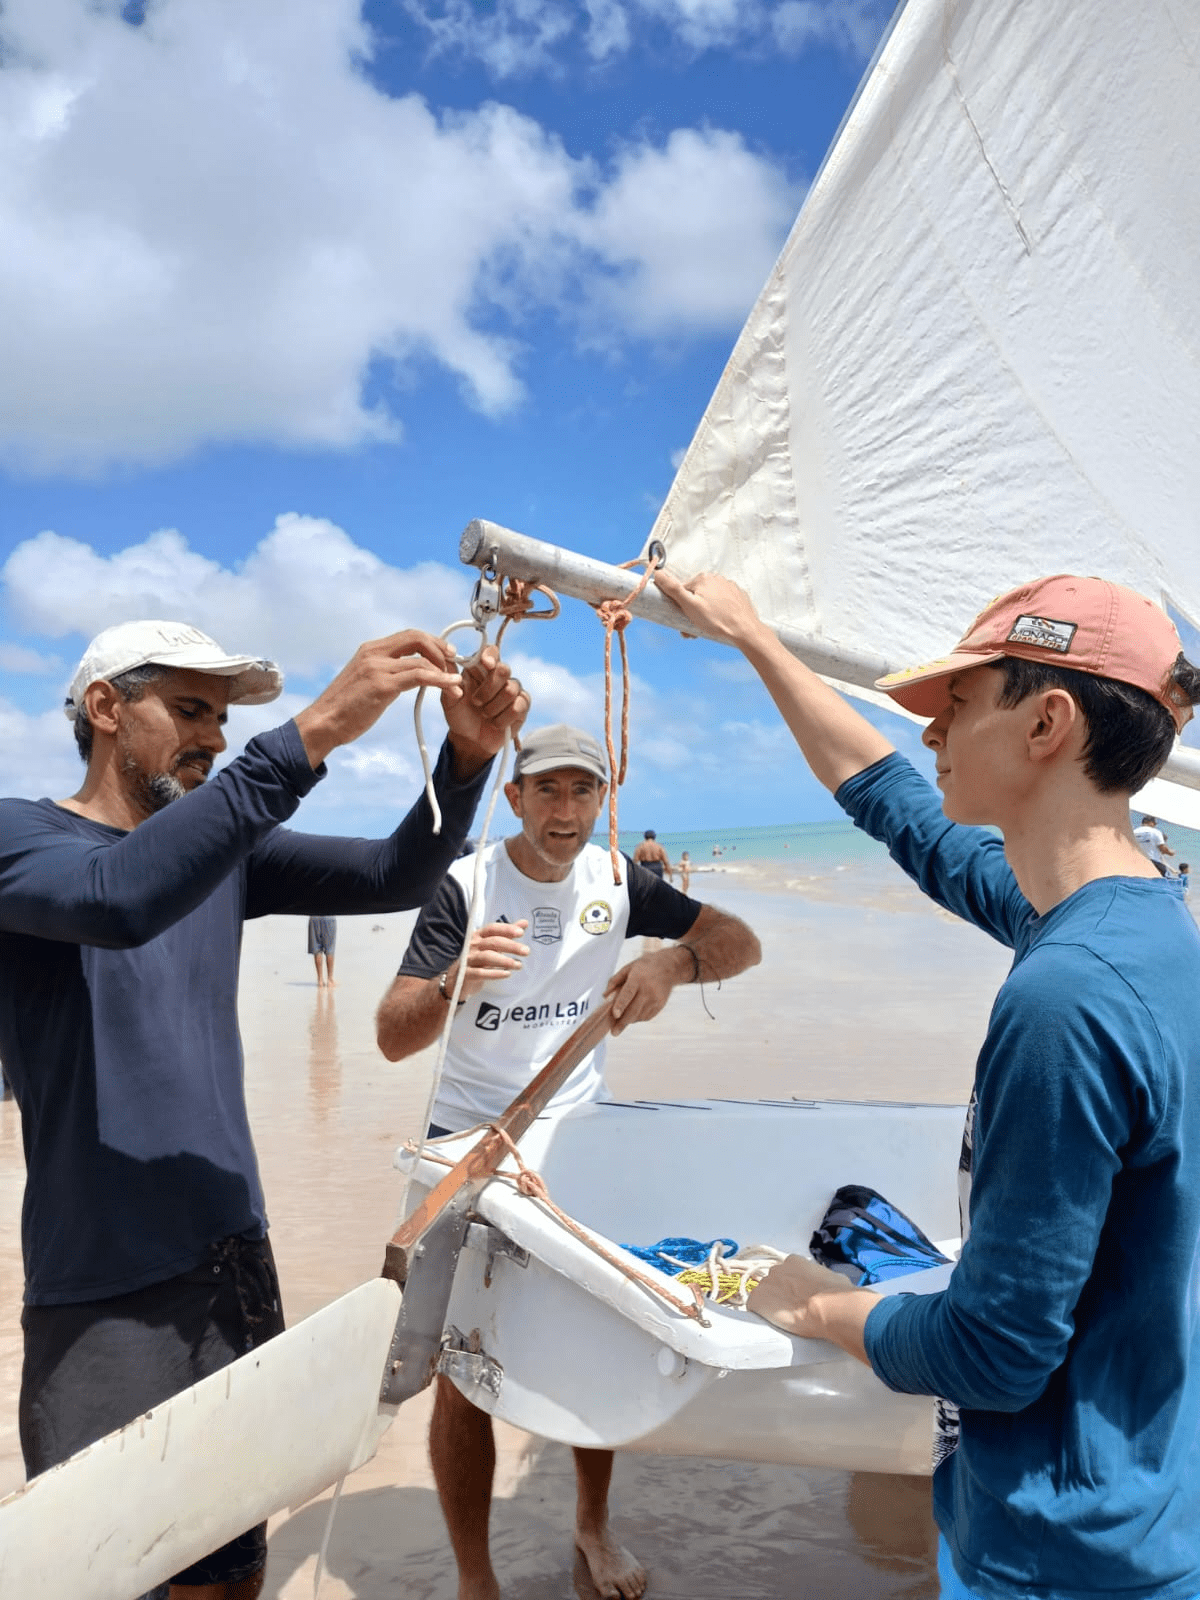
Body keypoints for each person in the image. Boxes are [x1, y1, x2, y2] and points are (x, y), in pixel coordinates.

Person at [656, 567, 1200, 1600]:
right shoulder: (1149, 927)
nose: (930, 736)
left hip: (1054, 1552)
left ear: (1047, 723)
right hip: (1146, 1494)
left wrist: (823, 1307)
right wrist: (758, 643)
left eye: (954, 706)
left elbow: (995, 1353)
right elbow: (903, 814)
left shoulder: (1066, 997)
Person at [0, 617, 527, 1600]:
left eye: (223, 717)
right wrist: (313, 730)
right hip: (97, 1288)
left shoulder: (222, 850)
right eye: (190, 709)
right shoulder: (22, 836)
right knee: (99, 1569)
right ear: (106, 708)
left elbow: (392, 873)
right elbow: (118, 898)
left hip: (228, 1265)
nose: (211, 735)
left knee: (230, 1569)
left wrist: (464, 759)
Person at [376, 721, 760, 1600]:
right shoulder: (467, 885)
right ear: (514, 798)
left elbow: (743, 941)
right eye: (546, 789)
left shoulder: (619, 881)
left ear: (602, 800)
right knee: (462, 1369)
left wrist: (674, 962)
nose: (565, 808)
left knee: (598, 1339)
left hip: (581, 1136)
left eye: (582, 790)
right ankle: (477, 1577)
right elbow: (394, 1038)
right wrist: (451, 984)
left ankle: (591, 1526)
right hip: (469, 1140)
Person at [308, 914, 337, 986]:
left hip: (314, 916)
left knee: (317, 949)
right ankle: (330, 979)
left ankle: (320, 979)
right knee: (330, 949)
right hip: (329, 916)